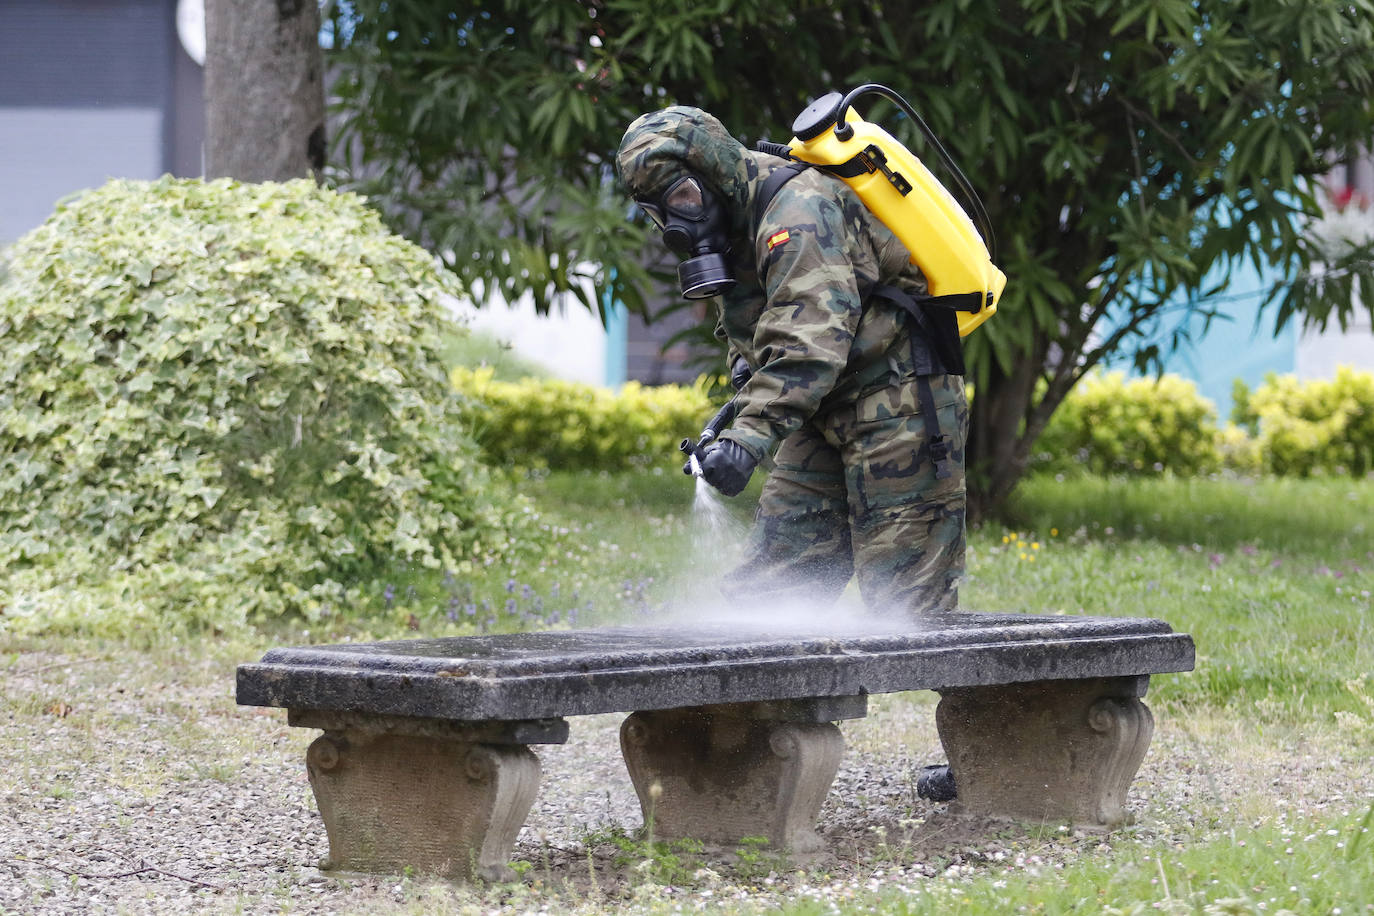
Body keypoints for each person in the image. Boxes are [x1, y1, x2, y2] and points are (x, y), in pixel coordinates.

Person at [617, 105, 969, 615]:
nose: (677, 222)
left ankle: (1009, 699)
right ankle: (778, 698)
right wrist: (746, 368)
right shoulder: (736, 220)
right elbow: (761, 323)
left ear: (714, 170)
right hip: (820, 407)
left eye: (682, 197)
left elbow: (807, 347)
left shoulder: (798, 214)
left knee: (908, 611)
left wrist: (746, 440)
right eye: (660, 211)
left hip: (900, 405)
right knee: (770, 598)